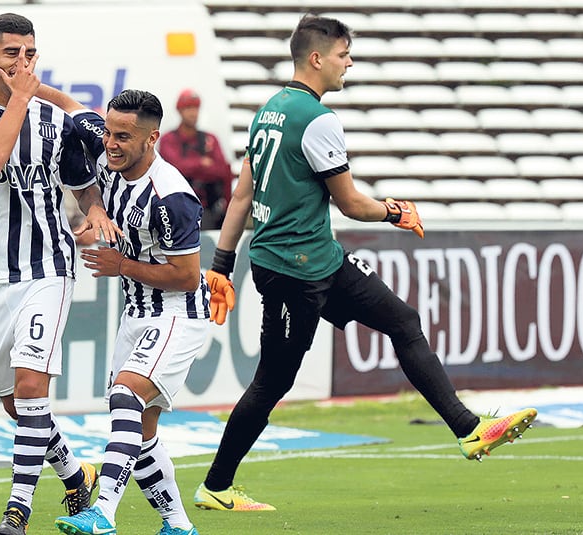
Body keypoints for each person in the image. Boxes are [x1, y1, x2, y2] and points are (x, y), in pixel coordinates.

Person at [193, 14, 538, 512]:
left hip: (320, 260)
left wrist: (223, 264)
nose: (348, 63)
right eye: (343, 55)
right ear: (317, 58)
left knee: (403, 319)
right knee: (274, 381)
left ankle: (468, 429)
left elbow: (243, 193)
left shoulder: (269, 109)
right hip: (293, 268)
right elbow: (352, 203)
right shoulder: (318, 119)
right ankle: (216, 486)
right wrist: (395, 210)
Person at [0, 13, 122, 535]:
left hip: (47, 267)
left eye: (30, 54)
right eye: (11, 54)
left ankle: (16, 511)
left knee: (30, 383)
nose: (22, 63)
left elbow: (82, 170)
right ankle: (72, 476)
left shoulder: (52, 118)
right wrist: (21, 97)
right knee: (17, 407)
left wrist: (92, 208)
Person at [40, 87, 207, 535]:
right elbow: (73, 109)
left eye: (123, 137)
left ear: (152, 139)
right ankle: (178, 525)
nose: (111, 143)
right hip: (136, 312)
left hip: (177, 313)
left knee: (125, 398)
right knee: (142, 430)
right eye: (110, 132)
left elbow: (188, 277)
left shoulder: (172, 198)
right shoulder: (106, 145)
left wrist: (122, 265)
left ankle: (104, 513)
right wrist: (21, 84)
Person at [158, 89, 232, 230]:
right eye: (188, 108)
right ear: (179, 111)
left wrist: (191, 168)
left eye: (196, 108)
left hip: (207, 209)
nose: (193, 113)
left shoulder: (210, 139)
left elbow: (222, 170)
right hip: (176, 208)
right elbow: (174, 167)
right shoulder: (168, 139)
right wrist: (201, 163)